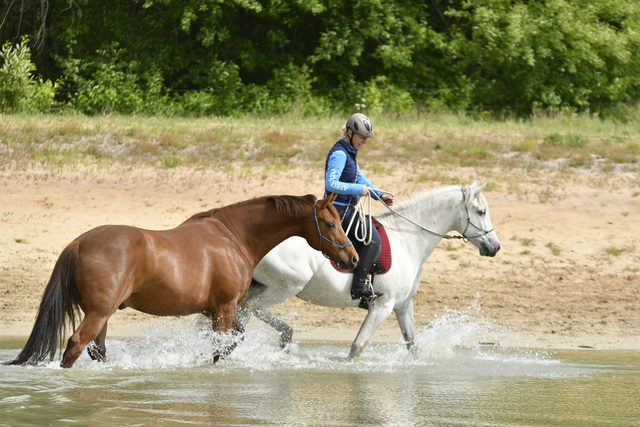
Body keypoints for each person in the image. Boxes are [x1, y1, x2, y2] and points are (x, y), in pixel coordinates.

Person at [324, 113, 395, 300]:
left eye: (366, 139)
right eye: (362, 137)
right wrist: (359, 190)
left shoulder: (350, 152)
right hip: (338, 210)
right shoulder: (340, 153)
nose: (364, 141)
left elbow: (359, 178)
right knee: (373, 241)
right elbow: (331, 184)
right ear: (349, 132)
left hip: (346, 208)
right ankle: (359, 287)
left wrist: (379, 194)